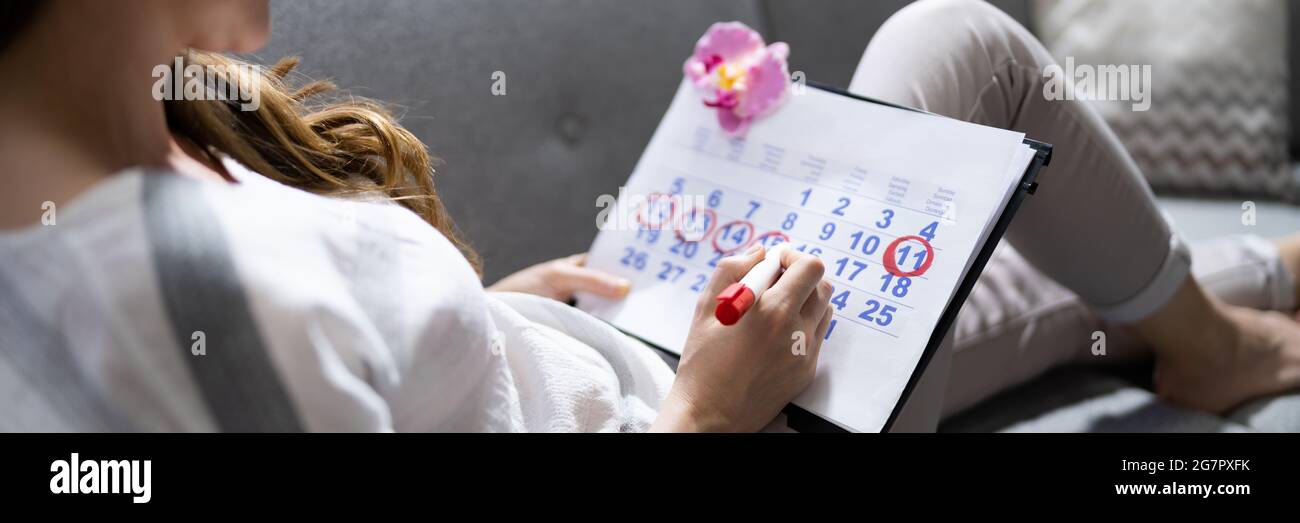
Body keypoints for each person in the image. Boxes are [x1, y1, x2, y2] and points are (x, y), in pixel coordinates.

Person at [0, 0, 1295, 432]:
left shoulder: (154, 136)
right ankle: (1220, 352)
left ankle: (1260, 281)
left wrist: (492, 319)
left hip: (642, 352)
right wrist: (712, 411)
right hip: (721, 412)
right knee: (958, 42)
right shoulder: (176, 303)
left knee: (1002, 284)